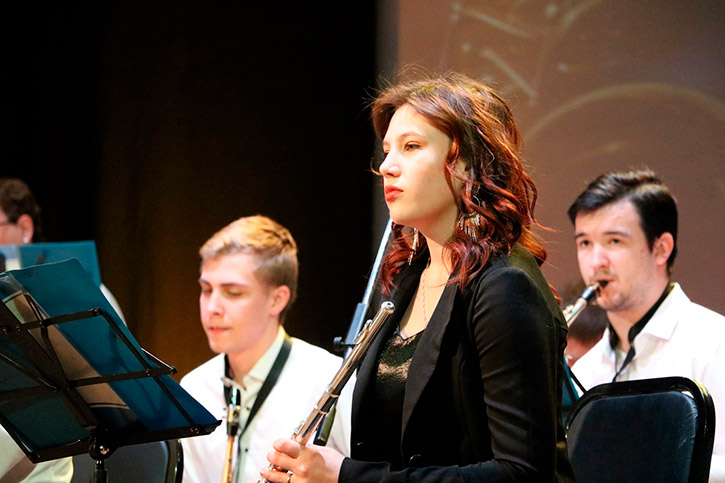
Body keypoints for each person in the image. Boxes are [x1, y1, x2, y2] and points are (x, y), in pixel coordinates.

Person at [261, 73, 574, 482]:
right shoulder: (405, 281)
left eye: (411, 147)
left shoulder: (504, 285)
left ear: (467, 163)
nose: (387, 167)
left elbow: (521, 474)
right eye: (387, 150)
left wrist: (348, 477)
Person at [568, 169, 725, 481]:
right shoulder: (584, 372)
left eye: (614, 241)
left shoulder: (716, 344)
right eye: (585, 243)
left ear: (661, 248)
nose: (596, 261)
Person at [180, 215, 351, 483]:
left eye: (233, 293)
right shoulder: (193, 389)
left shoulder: (329, 380)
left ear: (277, 299)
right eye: (206, 289)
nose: (212, 307)